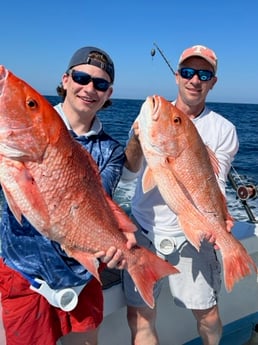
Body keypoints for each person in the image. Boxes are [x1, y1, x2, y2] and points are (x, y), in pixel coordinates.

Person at [0, 46, 135, 345]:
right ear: (65, 80)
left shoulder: (111, 150)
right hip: (24, 274)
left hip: (82, 277)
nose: (89, 88)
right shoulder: (12, 143)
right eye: (81, 77)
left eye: (100, 84)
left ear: (108, 93)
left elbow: (100, 202)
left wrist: (118, 242)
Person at [122, 44, 239, 345]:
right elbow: (129, 172)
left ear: (213, 82)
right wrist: (137, 139)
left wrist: (220, 222)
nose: (194, 80)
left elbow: (214, 181)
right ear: (177, 76)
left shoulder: (223, 129)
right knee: (140, 316)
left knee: (209, 316)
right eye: (187, 72)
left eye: (204, 74)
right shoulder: (151, 119)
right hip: (145, 231)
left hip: (195, 235)